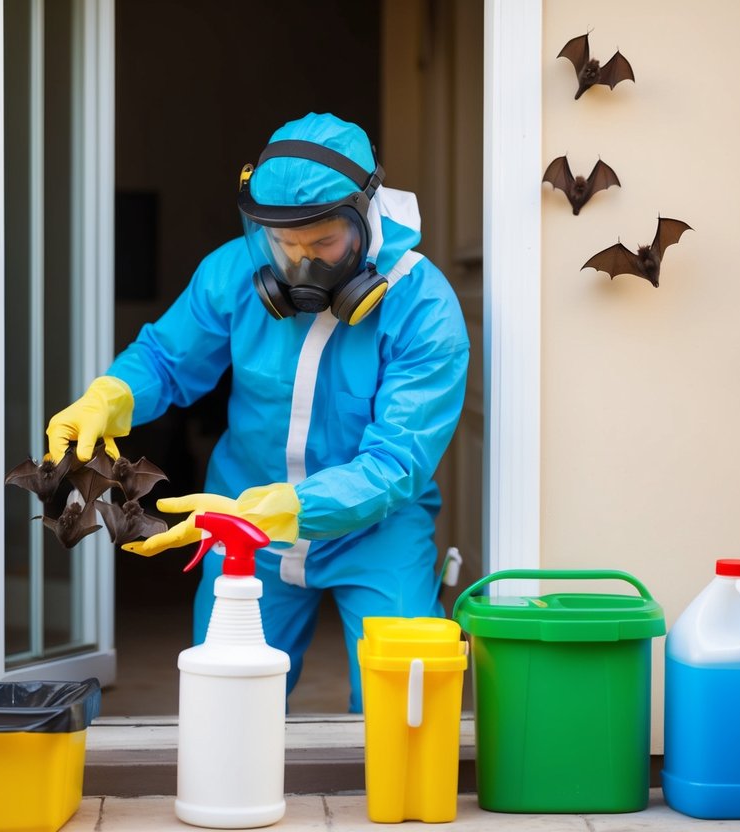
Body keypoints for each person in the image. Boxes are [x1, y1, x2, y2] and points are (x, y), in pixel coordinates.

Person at [46, 112, 469, 712]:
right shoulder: (231, 274)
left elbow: (397, 461)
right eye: (285, 245)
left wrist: (294, 507)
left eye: (324, 243)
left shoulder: (425, 310)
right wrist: (111, 394)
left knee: (405, 704)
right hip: (243, 521)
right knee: (226, 705)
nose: (302, 267)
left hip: (375, 530)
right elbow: (167, 359)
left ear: (366, 214)